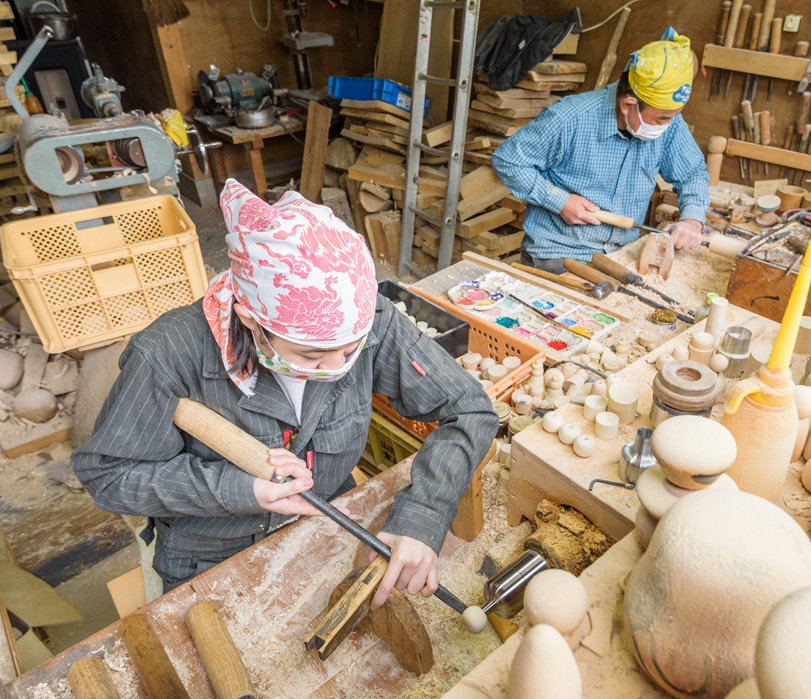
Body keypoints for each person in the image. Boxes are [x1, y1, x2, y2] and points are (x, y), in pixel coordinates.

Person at [71, 180, 497, 608]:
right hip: (211, 551)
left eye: (351, 351)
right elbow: (109, 476)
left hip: (330, 520)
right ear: (250, 319)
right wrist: (239, 489)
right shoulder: (166, 352)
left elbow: (471, 411)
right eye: (312, 355)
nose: (337, 369)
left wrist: (424, 514)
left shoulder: (364, 319)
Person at [492, 28, 710, 273]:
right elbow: (508, 161)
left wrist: (691, 220)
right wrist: (559, 201)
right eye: (661, 119)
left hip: (621, 255)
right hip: (560, 255)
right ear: (629, 105)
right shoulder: (569, 118)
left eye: (673, 117)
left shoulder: (668, 124)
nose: (667, 125)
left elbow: (693, 173)